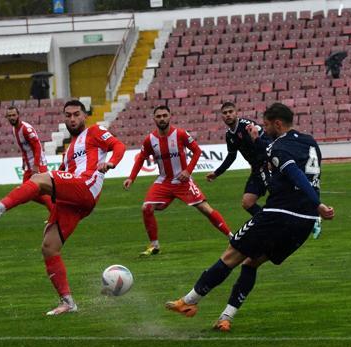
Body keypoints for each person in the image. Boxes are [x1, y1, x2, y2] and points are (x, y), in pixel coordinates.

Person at [165, 103, 334, 331]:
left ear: (277, 123)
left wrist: (319, 204)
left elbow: (294, 173)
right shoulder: (310, 142)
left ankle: (188, 302)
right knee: (251, 262)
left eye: (265, 126)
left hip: (279, 215)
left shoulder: (279, 146)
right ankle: (226, 318)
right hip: (303, 222)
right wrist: (315, 210)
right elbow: (311, 176)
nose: (262, 129)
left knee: (230, 255)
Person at [0, 100, 126, 316]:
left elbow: (119, 146)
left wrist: (111, 163)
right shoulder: (70, 149)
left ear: (84, 116)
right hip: (73, 201)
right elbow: (52, 182)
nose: (72, 119)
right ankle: (68, 302)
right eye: (68, 115)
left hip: (86, 186)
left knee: (39, 178)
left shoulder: (95, 131)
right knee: (49, 247)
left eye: (76, 114)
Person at [123, 105, 232, 256]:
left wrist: (188, 171)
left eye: (164, 115)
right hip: (163, 181)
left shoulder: (180, 134)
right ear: (154, 119)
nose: (162, 118)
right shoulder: (150, 139)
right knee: (146, 208)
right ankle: (154, 246)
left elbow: (197, 151)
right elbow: (141, 158)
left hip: (183, 182)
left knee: (205, 209)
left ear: (170, 116)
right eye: (159, 116)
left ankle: (232, 237)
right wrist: (131, 177)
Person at [206, 102, 271, 216]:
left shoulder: (247, 126)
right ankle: (267, 222)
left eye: (231, 112)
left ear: (236, 113)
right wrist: (217, 173)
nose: (228, 115)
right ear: (222, 116)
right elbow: (232, 156)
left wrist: (270, 161)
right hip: (257, 169)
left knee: (280, 198)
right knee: (247, 203)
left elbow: (269, 142)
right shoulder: (229, 135)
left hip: (269, 166)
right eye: (225, 113)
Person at [5, 106, 52, 212]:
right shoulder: (14, 129)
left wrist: (36, 165)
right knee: (27, 193)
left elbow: (37, 146)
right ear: (6, 117)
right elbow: (24, 148)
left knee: (42, 191)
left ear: (18, 115)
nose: (12, 117)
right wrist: (23, 161)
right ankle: (55, 204)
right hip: (29, 165)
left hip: (37, 163)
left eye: (14, 115)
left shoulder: (26, 128)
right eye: (9, 116)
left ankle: (56, 216)